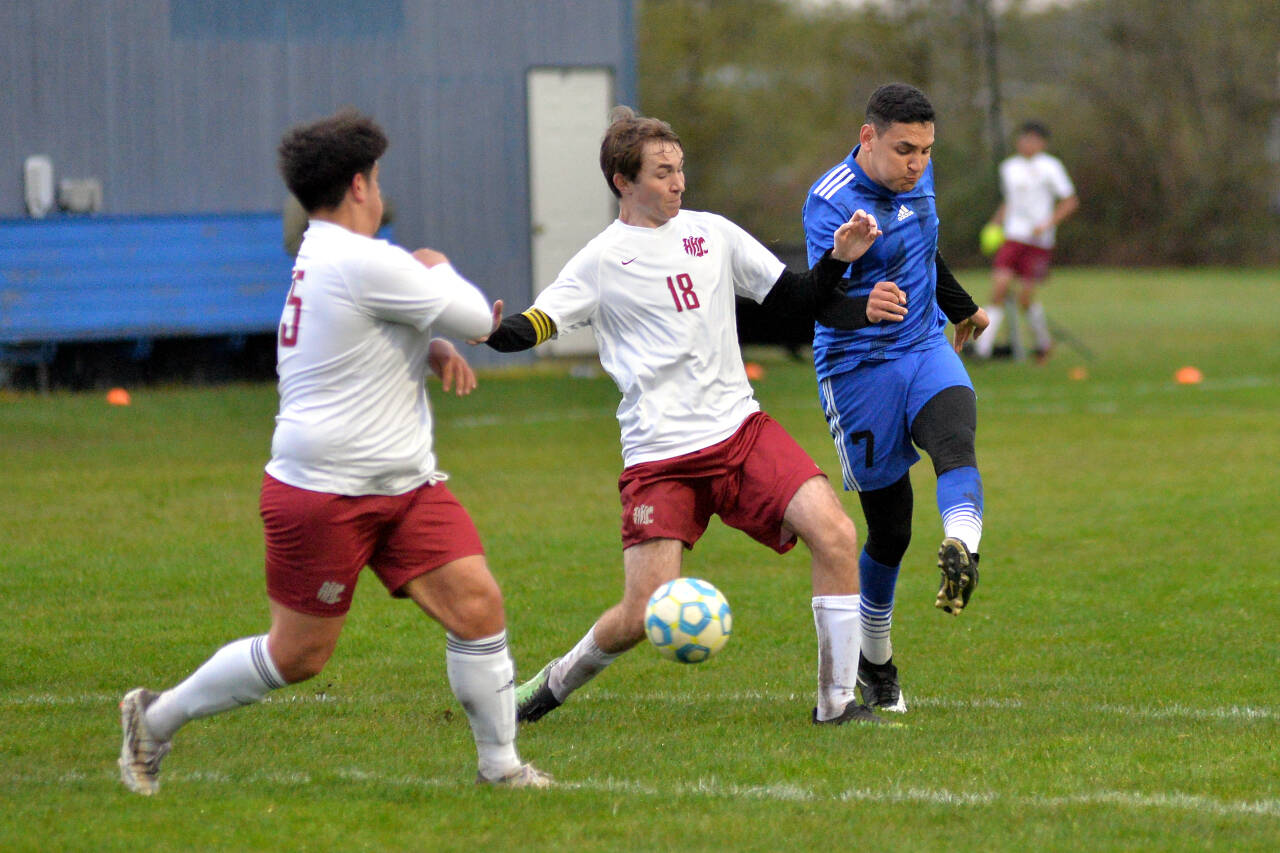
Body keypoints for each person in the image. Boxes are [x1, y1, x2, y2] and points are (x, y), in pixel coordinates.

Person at [117, 109, 550, 794]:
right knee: (298, 654)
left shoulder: (329, 256)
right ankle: (155, 715)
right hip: (323, 491)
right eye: (377, 179)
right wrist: (436, 265)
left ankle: (501, 767)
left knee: (478, 605)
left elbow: (369, 328)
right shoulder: (364, 258)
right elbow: (477, 320)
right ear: (358, 184)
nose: (382, 193)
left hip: (405, 483)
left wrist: (424, 341)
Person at [479, 106, 886, 726]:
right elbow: (535, 325)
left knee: (835, 535)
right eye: (663, 172)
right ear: (624, 181)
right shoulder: (601, 260)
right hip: (661, 458)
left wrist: (837, 260)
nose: (678, 183)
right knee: (641, 615)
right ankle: (550, 685)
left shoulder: (712, 233)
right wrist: (486, 328)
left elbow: (797, 304)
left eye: (680, 170)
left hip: (740, 432)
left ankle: (837, 704)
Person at [801, 83, 989, 715]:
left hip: (923, 346)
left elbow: (924, 249)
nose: (917, 163)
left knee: (955, 437)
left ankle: (965, 544)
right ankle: (875, 657)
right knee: (892, 529)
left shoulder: (919, 182)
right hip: (857, 369)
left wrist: (962, 309)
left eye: (927, 151)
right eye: (905, 149)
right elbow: (816, 301)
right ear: (868, 138)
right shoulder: (829, 202)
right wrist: (862, 304)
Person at [973, 120, 1078, 362]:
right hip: (1013, 237)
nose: (1026, 143)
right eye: (1023, 138)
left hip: (1039, 242)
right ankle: (982, 349)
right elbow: (1009, 202)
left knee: (1024, 298)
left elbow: (1069, 201)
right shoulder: (1009, 167)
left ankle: (1043, 344)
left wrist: (1047, 224)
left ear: (1042, 143)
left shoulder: (1051, 166)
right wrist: (994, 223)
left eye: (1032, 139)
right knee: (998, 289)